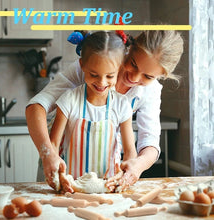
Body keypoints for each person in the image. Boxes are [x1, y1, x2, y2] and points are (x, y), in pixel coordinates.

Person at [26, 30, 184, 191]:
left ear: (160, 76)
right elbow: (37, 106)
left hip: (104, 179)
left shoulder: (148, 92)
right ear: (129, 50)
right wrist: (48, 154)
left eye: (148, 76)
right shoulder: (93, 65)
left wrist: (136, 166)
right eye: (133, 64)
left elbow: (149, 141)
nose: (135, 78)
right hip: (62, 171)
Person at [48, 31, 137, 192]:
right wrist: (58, 173)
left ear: (120, 69)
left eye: (110, 76)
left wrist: (125, 174)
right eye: (94, 74)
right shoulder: (69, 100)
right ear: (82, 65)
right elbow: (53, 145)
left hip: (109, 188)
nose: (102, 82)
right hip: (72, 189)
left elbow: (130, 151)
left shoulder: (122, 105)